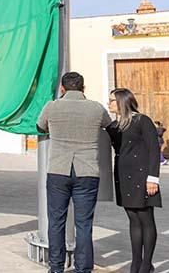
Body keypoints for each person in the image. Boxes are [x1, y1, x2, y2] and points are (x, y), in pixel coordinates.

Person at [37, 72, 113, 273]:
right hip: (87, 171)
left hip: (58, 171)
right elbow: (110, 126)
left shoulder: (52, 107)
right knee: (84, 224)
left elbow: (40, 126)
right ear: (83, 88)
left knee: (56, 222)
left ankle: (56, 267)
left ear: (62, 88)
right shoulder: (96, 108)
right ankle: (83, 269)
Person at [107, 88, 161, 273]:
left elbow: (154, 150)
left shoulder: (142, 121)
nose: (109, 103)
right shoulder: (114, 126)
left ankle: (146, 265)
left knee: (146, 218)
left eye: (112, 100)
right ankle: (135, 263)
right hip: (123, 177)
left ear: (122, 101)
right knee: (133, 219)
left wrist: (153, 178)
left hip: (143, 177)